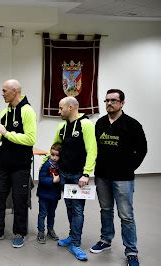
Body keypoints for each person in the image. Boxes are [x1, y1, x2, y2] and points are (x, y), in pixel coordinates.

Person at [89, 89, 147, 266]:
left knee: (126, 215)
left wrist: (130, 167)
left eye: (113, 100)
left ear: (122, 103)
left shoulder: (132, 125)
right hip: (102, 176)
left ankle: (131, 251)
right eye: (106, 100)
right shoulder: (99, 123)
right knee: (105, 210)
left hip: (123, 178)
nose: (109, 103)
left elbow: (142, 150)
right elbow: (94, 149)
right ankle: (105, 240)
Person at [0, 79, 37, 248]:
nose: (2, 94)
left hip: (21, 165)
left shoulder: (27, 111)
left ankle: (20, 233)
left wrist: (7, 133)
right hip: (4, 164)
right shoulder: (6, 112)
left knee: (19, 201)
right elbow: (0, 138)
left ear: (15, 91)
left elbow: (30, 139)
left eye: (5, 91)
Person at [54, 96, 97, 261]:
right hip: (64, 174)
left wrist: (86, 173)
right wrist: (48, 165)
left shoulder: (86, 124)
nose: (59, 112)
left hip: (79, 176)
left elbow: (92, 150)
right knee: (70, 208)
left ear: (71, 107)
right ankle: (72, 236)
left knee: (78, 210)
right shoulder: (62, 127)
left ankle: (76, 244)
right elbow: (55, 146)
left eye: (61, 108)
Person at [36, 143, 62, 244]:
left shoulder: (60, 166)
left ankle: (50, 230)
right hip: (44, 195)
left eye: (57, 155)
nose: (54, 157)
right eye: (52, 155)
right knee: (43, 214)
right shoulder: (46, 165)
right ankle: (41, 232)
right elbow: (42, 179)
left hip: (54, 195)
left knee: (52, 213)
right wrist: (53, 180)